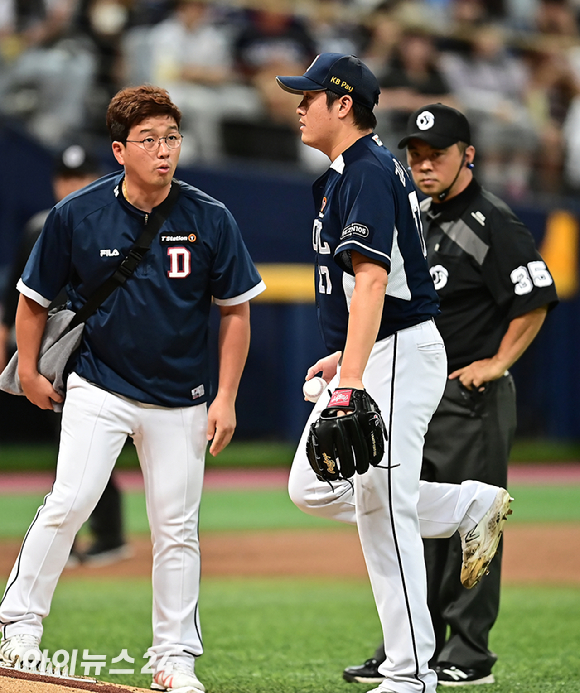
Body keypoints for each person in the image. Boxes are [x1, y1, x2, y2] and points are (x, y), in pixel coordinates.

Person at [0, 85, 265, 693]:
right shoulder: (77, 214)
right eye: (149, 140)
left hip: (183, 397)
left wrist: (225, 397)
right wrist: (34, 371)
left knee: (177, 530)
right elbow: (32, 300)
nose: (164, 150)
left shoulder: (211, 217)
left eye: (172, 138)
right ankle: (18, 632)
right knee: (68, 502)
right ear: (120, 149)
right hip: (101, 386)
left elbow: (235, 313)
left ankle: (173, 660)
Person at [277, 54, 513, 693]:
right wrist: (346, 359)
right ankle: (467, 505)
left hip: (401, 352)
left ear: (343, 104)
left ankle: (410, 673)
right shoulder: (344, 175)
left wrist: (350, 377)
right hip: (380, 350)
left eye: (310, 95)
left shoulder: (372, 171)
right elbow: (370, 287)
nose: (299, 105)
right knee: (312, 487)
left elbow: (376, 280)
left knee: (382, 508)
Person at [342, 103, 558, 686]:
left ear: (468, 155)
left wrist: (498, 362)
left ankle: (468, 652)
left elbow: (535, 297)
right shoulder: (417, 215)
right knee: (410, 514)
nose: (424, 163)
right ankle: (411, 647)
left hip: (470, 396)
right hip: (420, 393)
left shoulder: (491, 221)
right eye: (415, 154)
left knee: (472, 526)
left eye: (436, 153)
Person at [0, 144, 130, 568]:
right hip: (52, 351)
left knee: (84, 444)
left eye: (81, 177)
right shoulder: (40, 227)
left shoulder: (114, 225)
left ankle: (97, 536)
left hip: (95, 349)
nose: (73, 185)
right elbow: (13, 300)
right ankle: (90, 537)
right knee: (76, 446)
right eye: (66, 177)